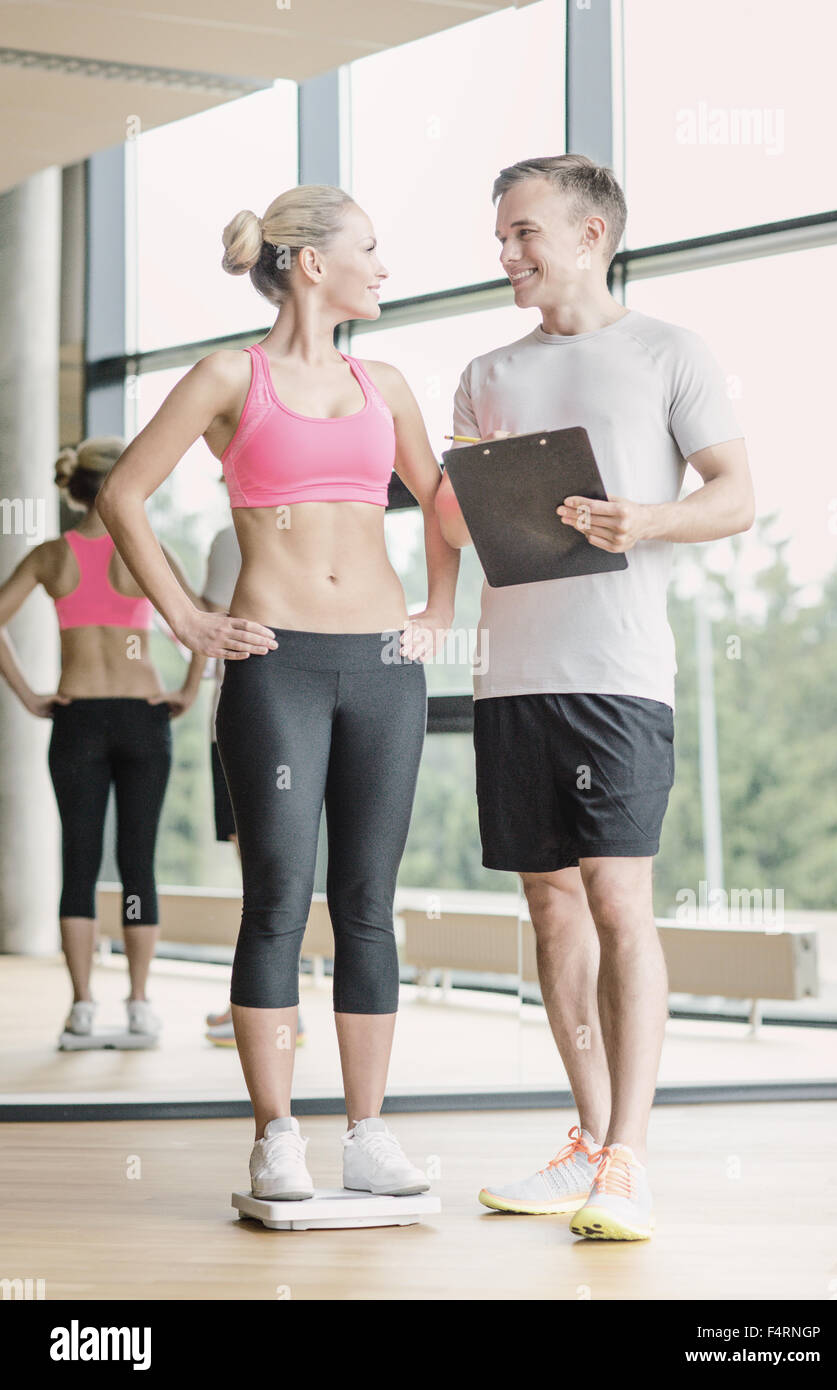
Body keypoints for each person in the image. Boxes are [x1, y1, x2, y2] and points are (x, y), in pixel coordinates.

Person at [95, 184, 458, 1200]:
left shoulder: (386, 381)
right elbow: (124, 495)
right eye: (370, 250)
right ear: (310, 262)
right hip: (275, 665)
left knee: (369, 905)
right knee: (278, 902)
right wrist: (189, 621)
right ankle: (276, 1134)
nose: (383, 268)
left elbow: (442, 501)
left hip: (383, 666)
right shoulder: (229, 375)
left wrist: (439, 606)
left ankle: (370, 1131)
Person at [435, 154, 754, 1240]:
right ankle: (584, 1140)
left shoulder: (670, 352)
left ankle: (631, 1156)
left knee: (619, 894)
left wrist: (643, 521)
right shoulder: (485, 370)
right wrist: (454, 483)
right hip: (512, 672)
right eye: (502, 235)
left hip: (617, 673)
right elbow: (455, 523)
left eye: (525, 233)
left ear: (590, 236)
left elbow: (737, 495)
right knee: (550, 902)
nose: (508, 253)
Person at [0, 437, 206, 1040]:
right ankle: (140, 1003)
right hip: (143, 716)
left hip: (78, 718)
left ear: (77, 487)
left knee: (79, 863)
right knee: (137, 864)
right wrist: (189, 691)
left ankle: (83, 1006)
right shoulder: (145, 549)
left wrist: (28, 694)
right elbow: (201, 622)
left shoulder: (50, 556)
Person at [199, 515, 305, 1050]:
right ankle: (288, 1002)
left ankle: (283, 1003)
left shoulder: (229, 536)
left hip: (250, 711)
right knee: (289, 872)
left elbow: (211, 621)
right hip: (305, 708)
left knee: (265, 879)